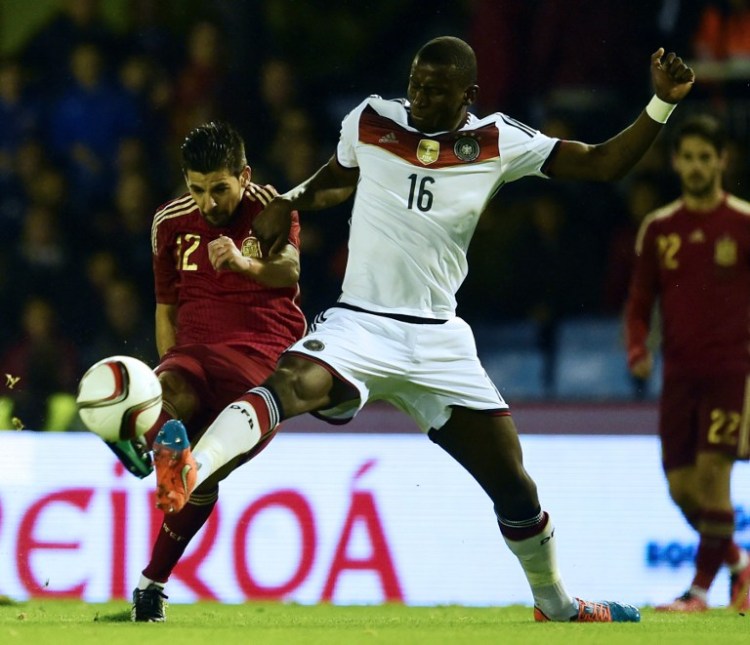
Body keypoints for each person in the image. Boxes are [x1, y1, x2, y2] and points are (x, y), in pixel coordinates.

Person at [154, 37, 694, 622]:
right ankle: (189, 468)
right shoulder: (372, 119)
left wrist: (661, 104)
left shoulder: (497, 140)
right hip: (359, 323)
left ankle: (557, 604)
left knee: (514, 485)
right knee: (289, 382)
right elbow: (339, 177)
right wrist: (291, 200)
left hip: (439, 340)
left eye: (435, 92)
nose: (418, 99)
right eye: (414, 84)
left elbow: (602, 162)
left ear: (469, 95)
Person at [102, 121, 306, 621]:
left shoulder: (270, 207)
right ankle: (154, 436)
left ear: (243, 175)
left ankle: (152, 577)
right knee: (171, 396)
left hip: (260, 358)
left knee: (203, 471)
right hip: (193, 350)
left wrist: (243, 264)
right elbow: (165, 307)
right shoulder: (169, 222)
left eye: (219, 188)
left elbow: (290, 272)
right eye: (197, 189)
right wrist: (166, 370)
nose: (209, 202)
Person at [624, 114, 750, 612]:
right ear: (675, 162)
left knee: (713, 478)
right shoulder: (659, 229)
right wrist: (638, 349)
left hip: (732, 372)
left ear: (723, 160)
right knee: (681, 488)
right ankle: (741, 567)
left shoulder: (743, 224)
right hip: (678, 374)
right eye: (689, 157)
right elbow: (638, 303)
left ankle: (698, 593)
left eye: (706, 156)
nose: (697, 166)